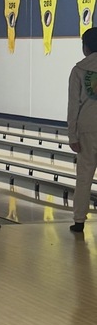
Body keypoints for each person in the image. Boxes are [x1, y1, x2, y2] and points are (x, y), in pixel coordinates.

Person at [67, 26, 97, 233]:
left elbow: (73, 105)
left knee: (84, 176)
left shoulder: (78, 70)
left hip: (87, 128)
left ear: (85, 47)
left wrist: (72, 135)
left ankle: (79, 221)